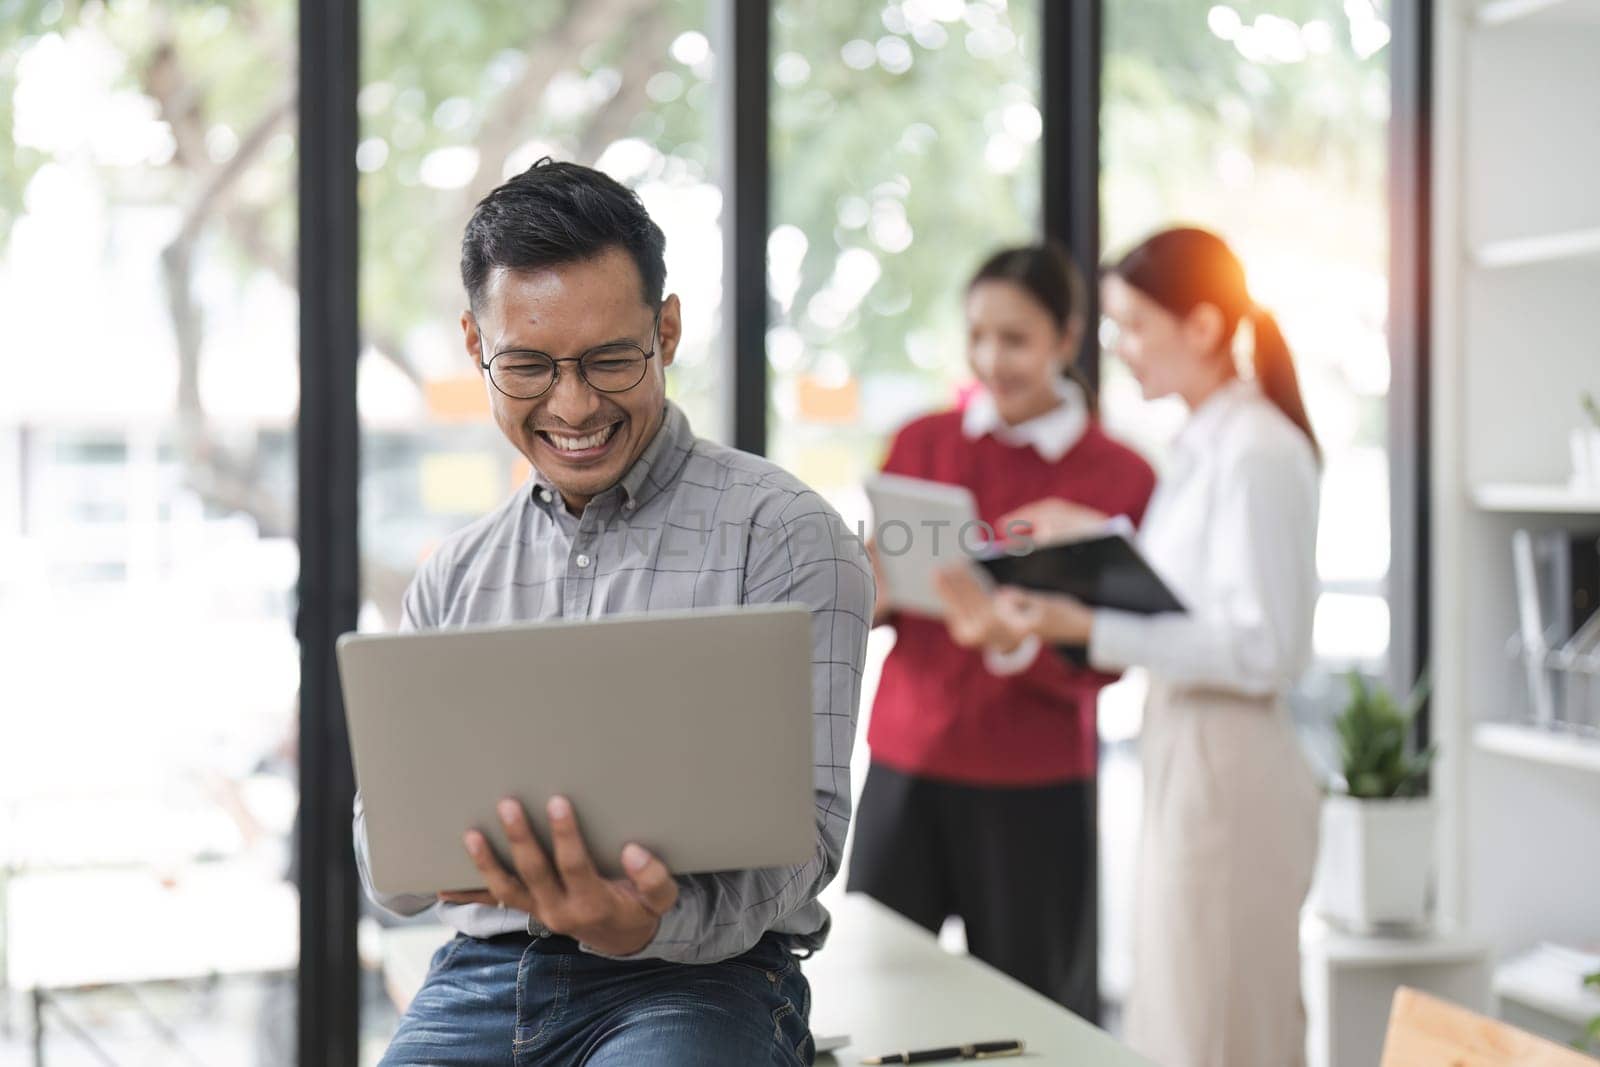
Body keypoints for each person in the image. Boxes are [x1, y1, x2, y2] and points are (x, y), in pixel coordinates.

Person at [354, 158, 874, 1067]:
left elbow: (811, 834)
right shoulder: (456, 577)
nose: (574, 403)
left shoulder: (787, 534)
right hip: (485, 974)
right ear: (476, 343)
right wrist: (427, 857)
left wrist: (647, 922)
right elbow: (384, 859)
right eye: (528, 365)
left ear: (666, 331)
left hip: (703, 976)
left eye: (610, 358)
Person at [937, 227, 1323, 1067]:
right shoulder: (1206, 444)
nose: (1120, 349)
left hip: (1230, 758)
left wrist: (1082, 626)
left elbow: (1266, 647)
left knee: (1220, 1028)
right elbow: (1194, 599)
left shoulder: (1256, 452)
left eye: (1135, 326)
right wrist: (1095, 536)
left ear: (1206, 328)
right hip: (1192, 746)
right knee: (1185, 1012)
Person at [845, 243, 1156, 1020]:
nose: (991, 358)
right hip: (907, 763)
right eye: (977, 334)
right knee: (874, 997)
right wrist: (866, 587)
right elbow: (884, 599)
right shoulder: (922, 441)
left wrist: (1011, 641)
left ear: (1066, 337)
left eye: (1014, 339)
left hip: (1035, 784)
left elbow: (1116, 649)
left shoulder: (1120, 475)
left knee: (1034, 1013)